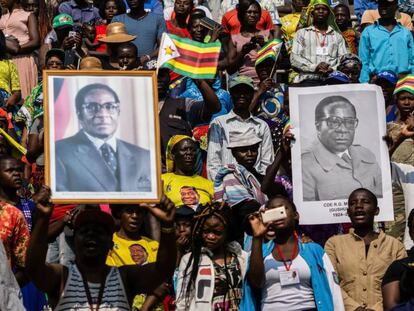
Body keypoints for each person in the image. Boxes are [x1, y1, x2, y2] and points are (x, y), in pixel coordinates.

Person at [26, 186, 177, 310]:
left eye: (99, 232)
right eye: (84, 231)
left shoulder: (125, 277)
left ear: (111, 244)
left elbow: (163, 270)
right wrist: (42, 218)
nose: (91, 236)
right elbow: (34, 268)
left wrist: (168, 226)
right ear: (74, 241)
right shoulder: (62, 277)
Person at [245, 195, 345, 310]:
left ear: (296, 215)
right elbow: (255, 284)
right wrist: (257, 237)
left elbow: (333, 289)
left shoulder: (314, 250)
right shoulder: (259, 253)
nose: (279, 214)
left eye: (283, 209)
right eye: (273, 211)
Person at [55, 83, 151, 192]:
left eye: (110, 106)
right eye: (92, 107)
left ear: (118, 112)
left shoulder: (144, 156)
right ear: (79, 114)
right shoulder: (59, 152)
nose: (102, 114)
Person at [325, 188, 406, 311]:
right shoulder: (334, 244)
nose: (358, 206)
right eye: (353, 203)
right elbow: (330, 281)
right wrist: (355, 308)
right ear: (348, 212)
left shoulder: (395, 246)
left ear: (376, 210)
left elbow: (402, 284)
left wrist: (377, 308)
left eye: (365, 202)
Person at [302, 95, 383, 201]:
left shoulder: (366, 154)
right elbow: (309, 212)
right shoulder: (306, 165)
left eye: (349, 122)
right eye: (334, 122)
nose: (343, 129)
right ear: (318, 127)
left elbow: (381, 199)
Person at [175, 202, 248, 310]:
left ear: (227, 232)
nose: (210, 236)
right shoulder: (190, 260)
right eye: (206, 231)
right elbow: (182, 301)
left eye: (217, 232)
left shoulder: (241, 257)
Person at [207, 75, 274, 181]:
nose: (242, 95)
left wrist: (258, 186)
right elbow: (213, 163)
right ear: (231, 94)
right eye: (237, 91)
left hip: (255, 184)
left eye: (246, 92)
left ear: (252, 95)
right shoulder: (219, 123)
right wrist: (219, 189)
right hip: (226, 187)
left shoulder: (261, 126)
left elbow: (266, 162)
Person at [107, 204, 163, 310]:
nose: (135, 216)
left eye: (139, 212)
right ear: (119, 213)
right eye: (129, 211)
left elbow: (162, 284)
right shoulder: (109, 244)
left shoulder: (154, 245)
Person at [290, 0, 347, 86]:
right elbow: (294, 58)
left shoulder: (337, 36)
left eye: (324, 9)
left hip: (332, 79)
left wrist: (332, 69)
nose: (321, 11)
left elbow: (343, 59)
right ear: (312, 13)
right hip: (308, 79)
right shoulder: (301, 33)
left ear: (329, 13)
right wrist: (315, 67)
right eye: (317, 9)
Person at [359, 0, 414, 83]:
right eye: (381, 4)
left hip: (402, 81)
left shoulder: (405, 33)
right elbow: (364, 61)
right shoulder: (368, 32)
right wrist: (364, 83)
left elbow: (412, 60)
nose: (383, 7)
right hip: (378, 81)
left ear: (396, 6)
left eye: (388, 5)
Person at [227, 0, 273, 85]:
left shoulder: (267, 35)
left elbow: (278, 59)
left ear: (259, 16)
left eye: (255, 12)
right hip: (244, 83)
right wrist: (243, 53)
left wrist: (265, 46)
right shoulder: (234, 39)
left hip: (266, 81)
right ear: (242, 15)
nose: (252, 15)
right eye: (249, 12)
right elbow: (230, 68)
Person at [0, 0, 40, 99]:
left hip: (22, 59)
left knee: (23, 96)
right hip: (5, 62)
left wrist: (16, 50)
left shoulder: (28, 15)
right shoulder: (2, 17)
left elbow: (35, 41)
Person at [0, 155, 30, 286]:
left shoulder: (13, 214)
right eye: (10, 171)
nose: (17, 174)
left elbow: (25, 266)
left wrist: (7, 288)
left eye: (19, 170)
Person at [162, 135, 214, 208]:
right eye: (184, 149)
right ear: (173, 155)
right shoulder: (163, 180)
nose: (189, 153)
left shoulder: (208, 184)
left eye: (193, 150)